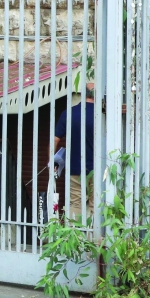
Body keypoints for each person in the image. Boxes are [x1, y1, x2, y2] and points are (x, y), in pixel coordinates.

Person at [54, 85, 96, 219]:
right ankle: (95, 238)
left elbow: (55, 140)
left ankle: (75, 236)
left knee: (75, 204)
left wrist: (51, 161)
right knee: (96, 204)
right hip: (98, 169)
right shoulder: (102, 114)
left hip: (75, 169)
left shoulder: (69, 113)